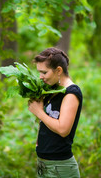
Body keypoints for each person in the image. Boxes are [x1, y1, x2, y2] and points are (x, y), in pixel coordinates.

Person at [28, 47, 83, 178]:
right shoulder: (52, 89)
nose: (40, 77)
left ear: (59, 70)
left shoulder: (71, 92)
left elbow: (63, 129)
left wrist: (39, 112)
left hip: (60, 167)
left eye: (44, 72)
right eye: (39, 72)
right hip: (44, 163)